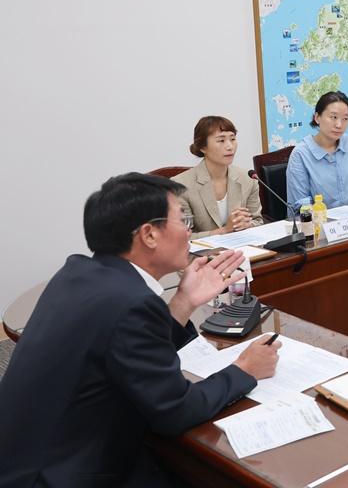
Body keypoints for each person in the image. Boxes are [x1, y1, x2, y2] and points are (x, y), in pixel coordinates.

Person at [0, 173, 279, 486]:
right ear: (149, 235)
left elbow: (122, 349)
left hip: (26, 457)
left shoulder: (79, 273)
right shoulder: (131, 303)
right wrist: (245, 369)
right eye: (183, 220)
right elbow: (175, 411)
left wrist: (184, 302)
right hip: (65, 473)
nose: (190, 232)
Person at [286, 90, 348, 212]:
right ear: (317, 118)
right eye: (333, 117)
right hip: (320, 225)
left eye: (345, 119)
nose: (339, 125)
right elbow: (301, 205)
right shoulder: (301, 154)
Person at [174, 115, 263, 234]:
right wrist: (225, 230)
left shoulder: (247, 179)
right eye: (221, 140)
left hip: (245, 249)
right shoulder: (181, 186)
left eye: (232, 139)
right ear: (202, 147)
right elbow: (182, 236)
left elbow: (258, 221)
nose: (230, 147)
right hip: (203, 252)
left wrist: (248, 224)